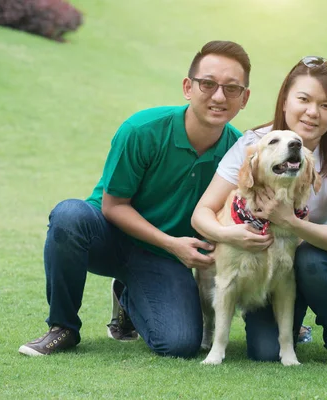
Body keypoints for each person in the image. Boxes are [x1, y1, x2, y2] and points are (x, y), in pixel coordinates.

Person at [18, 40, 251, 358]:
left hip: (165, 259)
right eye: (208, 84)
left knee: (179, 344)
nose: (219, 96)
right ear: (188, 87)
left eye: (232, 88)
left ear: (244, 98)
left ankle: (127, 297)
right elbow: (113, 206)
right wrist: (172, 243)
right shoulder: (142, 130)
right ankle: (63, 328)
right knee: (69, 216)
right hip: (109, 236)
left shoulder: (240, 153)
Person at [191, 56, 327, 371]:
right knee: (263, 351)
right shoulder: (255, 143)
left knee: (309, 258)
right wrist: (229, 235)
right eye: (304, 99)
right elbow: (202, 213)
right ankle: (295, 323)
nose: (313, 112)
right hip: (272, 258)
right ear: (285, 101)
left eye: (326, 106)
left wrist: (288, 220)